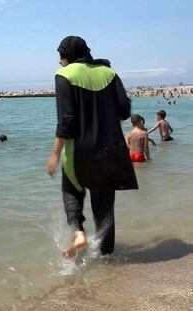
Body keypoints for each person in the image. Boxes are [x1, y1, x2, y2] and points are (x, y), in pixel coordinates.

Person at [47, 36, 138, 259]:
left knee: (71, 189)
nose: (60, 62)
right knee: (105, 210)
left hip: (79, 152)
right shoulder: (109, 72)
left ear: (65, 55)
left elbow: (66, 121)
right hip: (111, 151)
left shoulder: (64, 75)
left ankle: (78, 232)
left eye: (61, 57)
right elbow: (125, 110)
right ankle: (107, 261)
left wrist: (55, 154)